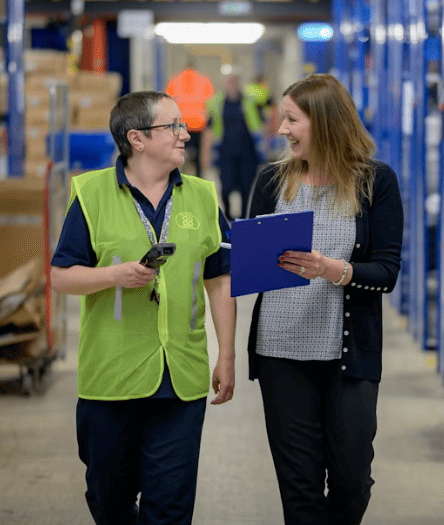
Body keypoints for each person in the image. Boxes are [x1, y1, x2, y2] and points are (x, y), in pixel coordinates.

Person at [49, 90, 236, 525]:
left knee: (169, 507)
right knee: (109, 501)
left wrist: (226, 354)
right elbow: (60, 276)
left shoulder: (203, 197)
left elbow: (220, 278)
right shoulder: (91, 194)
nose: (184, 134)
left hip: (182, 378)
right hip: (111, 377)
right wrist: (114, 276)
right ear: (136, 138)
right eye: (172, 126)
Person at [244, 73, 404, 525]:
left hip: (346, 357)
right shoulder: (272, 181)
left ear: (326, 122)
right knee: (300, 488)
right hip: (280, 353)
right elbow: (256, 266)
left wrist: (334, 270)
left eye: (292, 120)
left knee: (353, 482)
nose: (281, 129)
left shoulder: (377, 182)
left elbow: (387, 273)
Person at [206, 74, 271, 220]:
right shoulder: (217, 103)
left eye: (234, 80)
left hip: (248, 153)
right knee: (226, 187)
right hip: (225, 154)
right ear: (224, 83)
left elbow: (264, 122)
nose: (231, 84)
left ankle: (243, 219)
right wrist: (206, 154)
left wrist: (265, 146)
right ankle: (228, 213)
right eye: (229, 81)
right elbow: (209, 129)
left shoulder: (250, 101)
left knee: (246, 189)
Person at [164, 60, 215, 178]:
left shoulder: (174, 79)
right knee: (198, 157)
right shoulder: (204, 79)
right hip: (199, 124)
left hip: (180, 124)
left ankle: (178, 180)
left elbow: (167, 102)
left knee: (178, 155)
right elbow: (211, 102)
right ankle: (198, 180)